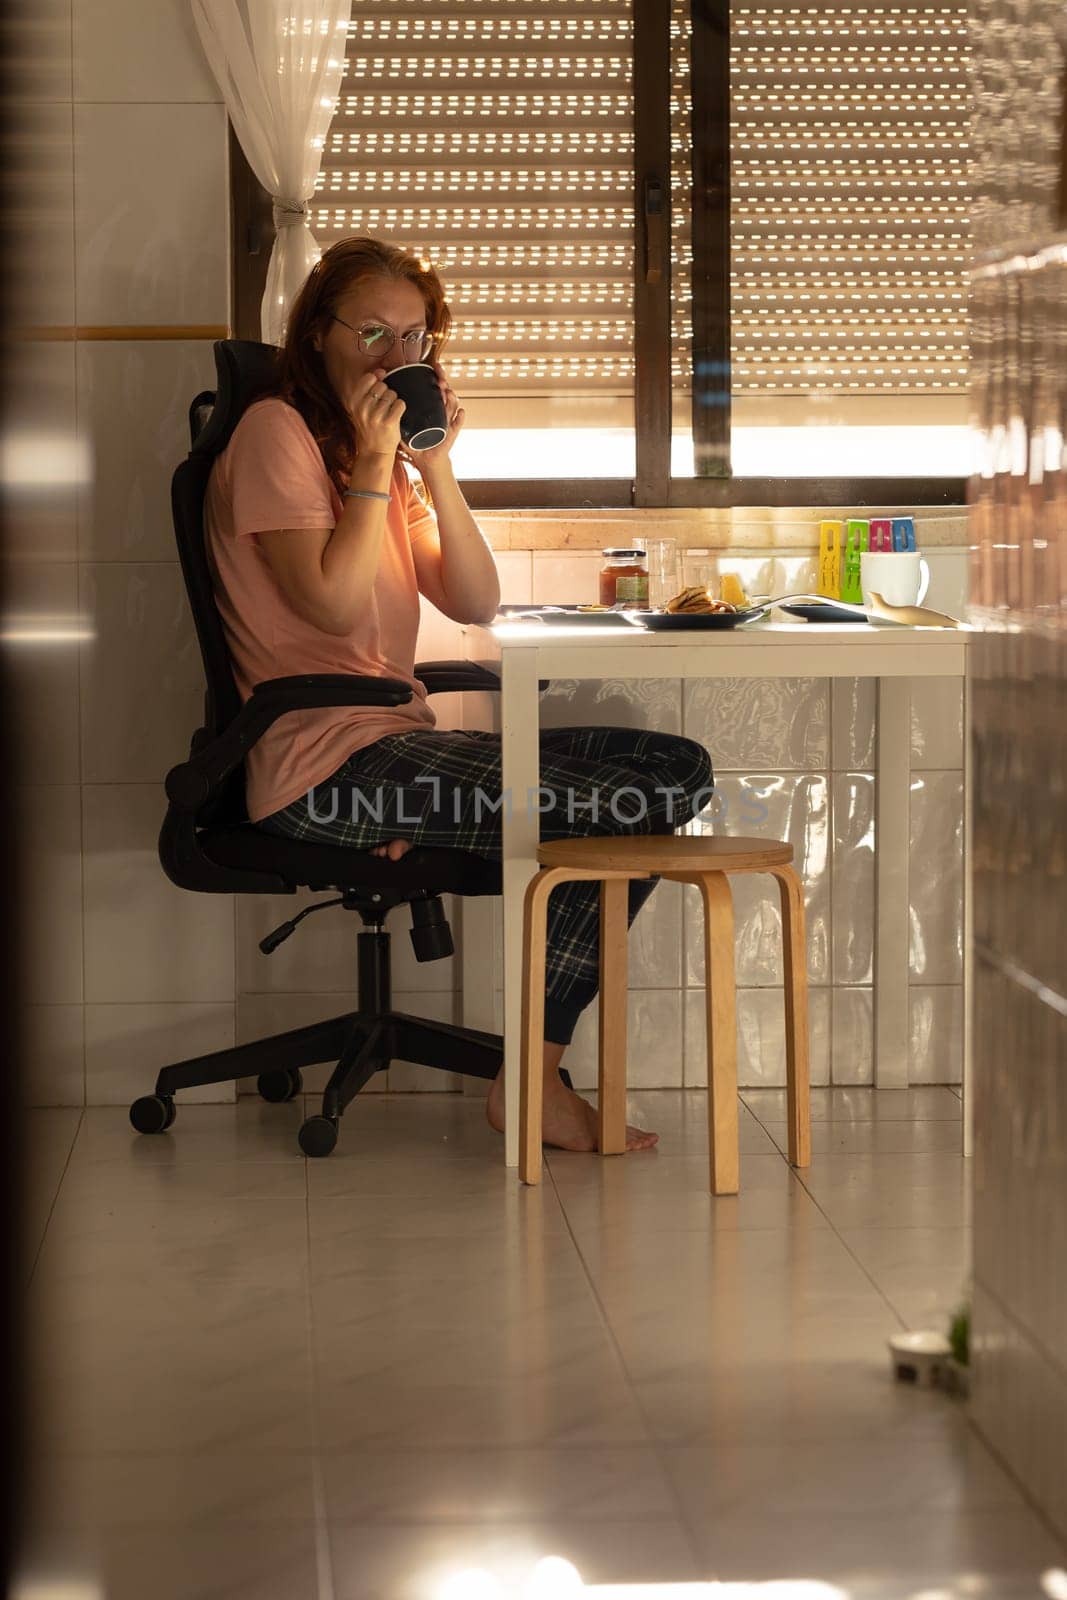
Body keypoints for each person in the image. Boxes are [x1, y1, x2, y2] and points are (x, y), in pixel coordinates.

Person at [205, 236, 714, 1155]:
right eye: (371, 333)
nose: (396, 359)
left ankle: (530, 1075)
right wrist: (372, 464)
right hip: (325, 770)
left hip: (391, 758)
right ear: (317, 333)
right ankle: (533, 1082)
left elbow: (475, 602)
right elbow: (325, 603)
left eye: (415, 338)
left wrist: (431, 464)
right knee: (629, 811)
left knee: (668, 770)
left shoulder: (381, 458)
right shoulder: (275, 434)